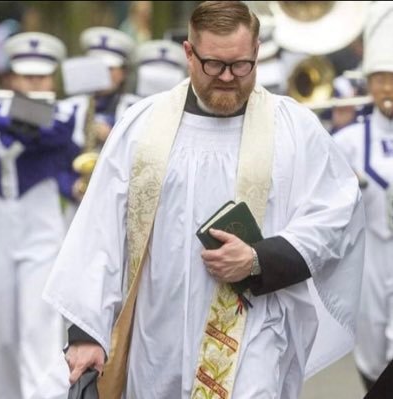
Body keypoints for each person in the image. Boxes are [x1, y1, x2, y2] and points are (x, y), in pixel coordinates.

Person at [40, 2, 364, 398]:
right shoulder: (143, 127)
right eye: (214, 65)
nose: (228, 77)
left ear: (257, 52)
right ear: (189, 54)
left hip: (255, 329)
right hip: (157, 334)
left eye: (241, 65)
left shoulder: (293, 129)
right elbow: (100, 233)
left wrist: (260, 259)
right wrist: (86, 333)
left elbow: (336, 214)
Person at [0, 31, 78, 399]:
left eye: (43, 77)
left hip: (41, 233)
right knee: (1, 334)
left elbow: (55, 132)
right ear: (11, 78)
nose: (36, 84)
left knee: (39, 328)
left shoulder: (68, 111)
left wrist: (12, 113)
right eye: (27, 77)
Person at [333, 2, 393, 392]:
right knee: (371, 347)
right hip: (372, 257)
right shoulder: (348, 141)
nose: (387, 88)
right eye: (379, 79)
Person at [58, 26, 141, 226]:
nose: (103, 74)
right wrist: (71, 186)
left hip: (122, 211)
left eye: (111, 69)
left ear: (123, 73)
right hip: (76, 208)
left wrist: (113, 136)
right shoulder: (68, 108)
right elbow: (54, 159)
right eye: (97, 67)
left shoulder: (137, 107)